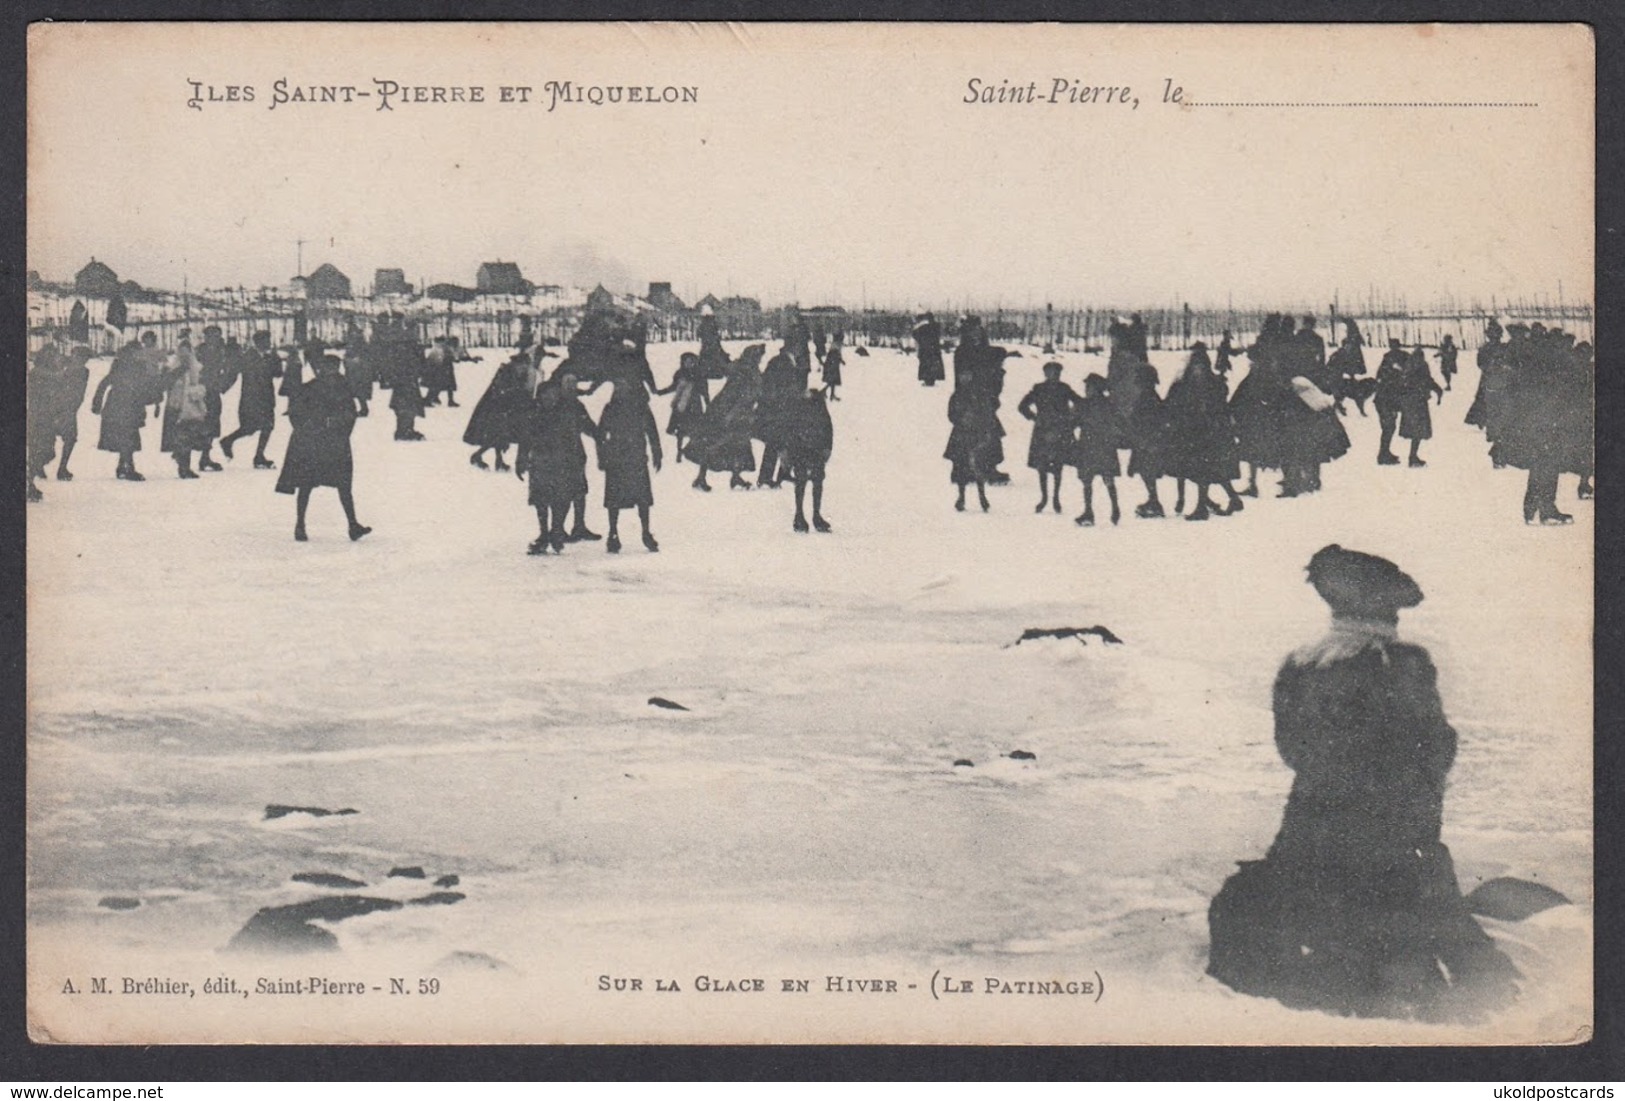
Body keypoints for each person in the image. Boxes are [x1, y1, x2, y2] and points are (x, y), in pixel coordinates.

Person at [1207, 546, 1519, 1022]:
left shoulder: (1299, 664)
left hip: (1309, 829)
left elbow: (1292, 750)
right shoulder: (1401, 663)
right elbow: (1430, 748)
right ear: (1388, 612)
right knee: (1450, 949)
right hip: (1392, 831)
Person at [275, 353, 369, 542]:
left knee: (311, 486)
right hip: (329, 444)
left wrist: (310, 429)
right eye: (329, 369)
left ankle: (304, 525)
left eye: (333, 368)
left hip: (321, 444)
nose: (331, 372)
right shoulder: (335, 388)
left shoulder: (320, 387)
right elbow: (350, 414)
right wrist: (323, 427)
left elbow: (350, 414)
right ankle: (346, 525)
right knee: (337, 486)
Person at [516, 371, 597, 554]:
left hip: (562, 462)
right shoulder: (534, 413)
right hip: (540, 462)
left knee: (561, 498)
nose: (549, 398)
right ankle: (544, 533)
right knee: (541, 500)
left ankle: (556, 530)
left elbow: (584, 428)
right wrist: (521, 460)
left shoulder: (567, 411)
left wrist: (601, 438)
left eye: (553, 394)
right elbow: (525, 438)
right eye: (546, 395)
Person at [1162, 343, 1244, 520]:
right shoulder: (1189, 386)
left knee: (1203, 469)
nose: (1196, 371)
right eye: (1194, 367)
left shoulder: (1210, 385)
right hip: (1198, 432)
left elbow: (1219, 407)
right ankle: (1233, 498)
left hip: (1209, 433)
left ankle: (1202, 508)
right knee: (1209, 470)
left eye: (1199, 367)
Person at [595, 376, 663, 553]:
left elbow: (652, 431)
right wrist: (602, 456)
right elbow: (600, 434)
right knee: (614, 501)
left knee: (643, 499)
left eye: (624, 387)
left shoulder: (640, 408)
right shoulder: (610, 409)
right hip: (616, 459)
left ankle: (646, 532)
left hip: (636, 457)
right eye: (618, 387)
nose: (621, 390)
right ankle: (613, 533)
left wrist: (657, 453)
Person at [692, 344, 764, 492]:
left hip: (730, 412)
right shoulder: (746, 373)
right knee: (719, 443)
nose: (759, 360)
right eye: (758, 357)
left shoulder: (744, 370)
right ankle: (702, 477)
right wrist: (731, 415)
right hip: (730, 414)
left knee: (738, 445)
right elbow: (740, 397)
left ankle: (734, 476)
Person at [92, 331, 162, 481]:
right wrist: (97, 402)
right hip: (123, 405)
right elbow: (107, 381)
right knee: (128, 438)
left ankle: (123, 467)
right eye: (138, 352)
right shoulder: (128, 365)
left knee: (127, 437)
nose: (140, 354)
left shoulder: (129, 365)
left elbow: (147, 385)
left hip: (125, 405)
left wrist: (156, 402)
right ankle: (128, 468)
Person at [1017, 361, 1081, 514]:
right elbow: (1022, 406)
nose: (1054, 375)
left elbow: (1079, 402)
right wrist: (1034, 417)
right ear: (1045, 373)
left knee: (1058, 465)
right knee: (1042, 466)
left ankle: (1056, 498)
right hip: (1043, 430)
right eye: (1051, 372)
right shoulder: (1038, 389)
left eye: (1057, 372)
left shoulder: (1065, 388)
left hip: (1060, 429)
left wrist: (1071, 417)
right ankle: (1044, 498)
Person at [219, 330, 284, 469]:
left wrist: (276, 359)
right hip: (251, 398)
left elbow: (278, 374)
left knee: (268, 426)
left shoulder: (269, 356)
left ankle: (259, 456)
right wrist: (223, 386)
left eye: (268, 340)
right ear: (258, 342)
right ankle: (228, 441)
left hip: (266, 397)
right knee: (249, 428)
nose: (267, 343)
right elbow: (234, 372)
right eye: (265, 341)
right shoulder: (248, 356)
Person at [463, 350, 535, 471]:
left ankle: (497, 460)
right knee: (496, 435)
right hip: (493, 409)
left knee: (500, 435)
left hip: (504, 409)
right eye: (524, 365)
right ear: (517, 364)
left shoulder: (514, 373)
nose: (525, 368)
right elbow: (501, 392)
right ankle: (477, 456)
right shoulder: (506, 373)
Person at [1071, 374, 1123, 526]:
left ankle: (1089, 512)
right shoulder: (1109, 404)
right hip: (1106, 446)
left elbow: (1073, 422)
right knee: (1108, 479)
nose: (1086, 389)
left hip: (1088, 445)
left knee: (1087, 480)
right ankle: (1115, 508)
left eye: (1088, 387)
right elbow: (1120, 422)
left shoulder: (1083, 405)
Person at [945, 366, 997, 512]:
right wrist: (961, 419)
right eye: (962, 375)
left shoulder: (980, 394)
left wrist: (977, 422)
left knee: (978, 466)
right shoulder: (956, 395)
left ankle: (982, 497)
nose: (965, 378)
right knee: (961, 466)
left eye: (967, 375)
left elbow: (986, 412)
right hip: (960, 434)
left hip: (976, 433)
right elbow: (950, 414)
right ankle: (961, 497)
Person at [785, 378, 834, 533]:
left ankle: (805, 515)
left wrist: (826, 447)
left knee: (806, 481)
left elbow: (827, 427)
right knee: (810, 481)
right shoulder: (814, 404)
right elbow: (827, 427)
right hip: (808, 449)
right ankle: (807, 515)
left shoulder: (811, 404)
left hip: (809, 449)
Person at [159, 337, 212, 479]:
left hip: (191, 408)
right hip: (175, 406)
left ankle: (184, 466)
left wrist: (197, 393)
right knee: (180, 438)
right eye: (181, 352)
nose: (184, 355)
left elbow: (202, 385)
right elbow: (164, 384)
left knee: (188, 438)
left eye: (186, 352)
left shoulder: (197, 368)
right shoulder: (172, 368)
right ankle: (183, 466)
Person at [193, 325, 236, 472]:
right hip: (200, 391)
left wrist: (223, 385)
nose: (213, 339)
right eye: (210, 336)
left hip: (213, 391)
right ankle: (193, 458)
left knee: (212, 424)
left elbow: (230, 369)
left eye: (215, 336)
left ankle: (205, 456)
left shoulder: (223, 351)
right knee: (197, 424)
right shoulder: (199, 351)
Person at [1396, 344, 1443, 467]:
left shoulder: (1408, 367)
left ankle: (1413, 456)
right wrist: (1438, 390)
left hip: (1409, 401)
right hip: (1419, 402)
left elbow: (1402, 384)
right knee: (1418, 430)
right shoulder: (1422, 366)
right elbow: (1428, 380)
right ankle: (1413, 457)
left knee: (1414, 430)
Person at [664, 351, 710, 464]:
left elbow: (704, 391)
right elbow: (674, 387)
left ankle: (692, 451)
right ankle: (679, 452)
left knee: (696, 430)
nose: (689, 364)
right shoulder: (679, 374)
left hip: (694, 406)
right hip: (682, 407)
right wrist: (661, 392)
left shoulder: (699, 375)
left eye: (691, 362)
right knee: (680, 431)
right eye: (686, 362)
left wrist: (708, 403)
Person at [1372, 338, 1410, 465]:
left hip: (1383, 400)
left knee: (1388, 428)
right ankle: (1383, 455)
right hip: (1386, 401)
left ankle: (1385, 452)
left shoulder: (1386, 361)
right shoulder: (1399, 360)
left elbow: (1379, 377)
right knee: (1389, 427)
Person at [913, 312, 945, 386]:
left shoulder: (923, 327)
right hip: (935, 349)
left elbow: (915, 333)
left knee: (926, 365)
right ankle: (932, 379)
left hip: (925, 349)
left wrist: (921, 341)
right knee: (934, 365)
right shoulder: (937, 326)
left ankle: (927, 379)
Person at [822, 329, 845, 401]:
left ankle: (830, 394)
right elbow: (837, 354)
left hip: (831, 362)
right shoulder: (838, 344)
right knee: (833, 380)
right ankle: (826, 392)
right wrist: (841, 360)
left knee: (832, 380)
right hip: (833, 363)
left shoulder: (835, 344)